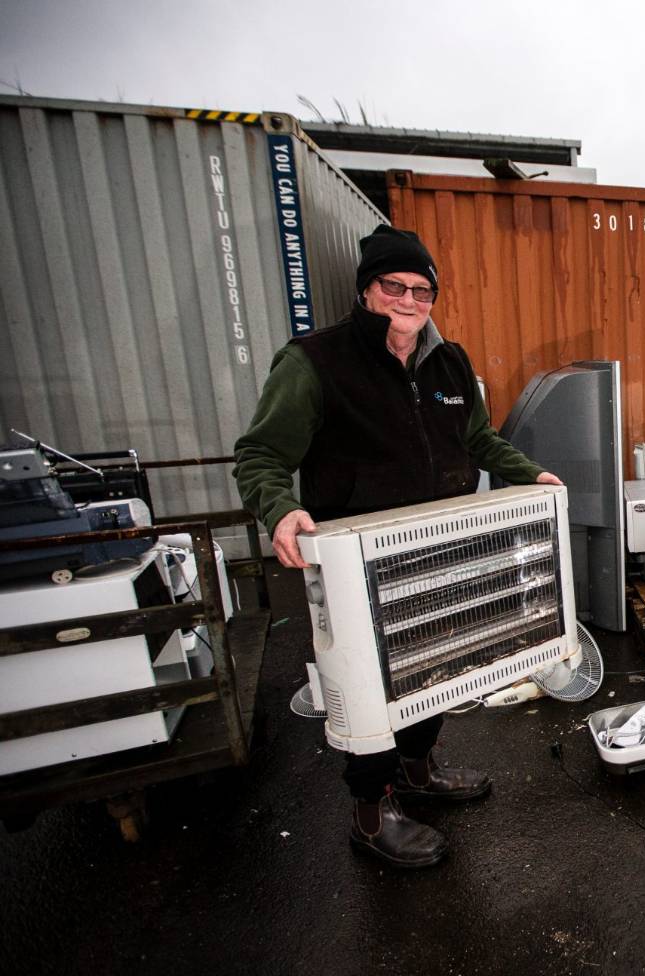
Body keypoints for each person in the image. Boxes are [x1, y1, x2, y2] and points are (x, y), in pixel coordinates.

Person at [234, 223, 561, 869]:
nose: (410, 300)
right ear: (367, 290)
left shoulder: (450, 361)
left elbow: (478, 442)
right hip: (357, 564)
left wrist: (529, 472)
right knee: (367, 685)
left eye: (422, 290)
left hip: (440, 547)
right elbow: (262, 454)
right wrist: (280, 510)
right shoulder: (314, 362)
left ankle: (418, 769)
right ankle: (371, 809)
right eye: (395, 286)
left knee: (435, 669)